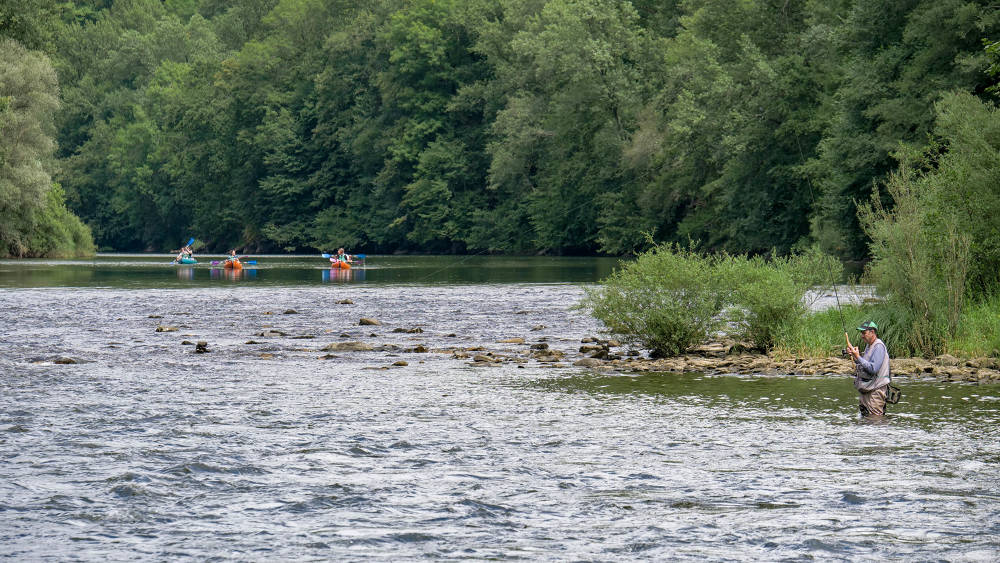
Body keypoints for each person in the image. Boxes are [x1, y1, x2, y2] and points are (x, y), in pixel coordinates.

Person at [846, 321, 891, 417]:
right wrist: (855, 356)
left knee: (875, 420)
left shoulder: (879, 346)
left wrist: (858, 357)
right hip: (867, 389)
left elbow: (873, 369)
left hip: (876, 390)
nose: (862, 336)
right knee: (865, 417)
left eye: (864, 333)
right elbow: (865, 365)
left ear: (872, 332)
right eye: (861, 333)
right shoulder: (868, 346)